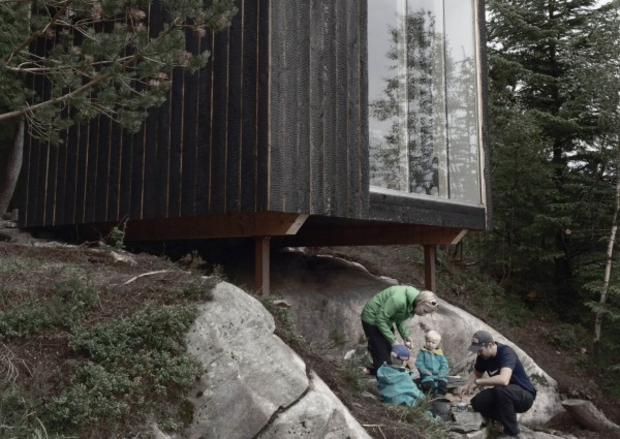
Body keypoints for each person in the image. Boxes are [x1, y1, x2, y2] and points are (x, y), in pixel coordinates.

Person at [457, 330, 536, 438]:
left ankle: (512, 433)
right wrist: (466, 385)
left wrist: (478, 382)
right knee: (477, 403)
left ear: (490, 345)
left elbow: (504, 380)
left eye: (480, 350)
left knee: (501, 389)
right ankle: (505, 418)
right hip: (503, 394)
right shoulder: (483, 357)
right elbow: (477, 373)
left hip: (524, 396)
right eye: (477, 351)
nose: (478, 354)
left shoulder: (506, 353)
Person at [361, 285, 438, 376]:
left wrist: (406, 335)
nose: (423, 315)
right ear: (420, 302)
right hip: (372, 318)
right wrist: (393, 341)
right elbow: (380, 319)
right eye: (424, 311)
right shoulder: (398, 300)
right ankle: (384, 381)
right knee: (381, 353)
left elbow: (399, 318)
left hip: (386, 320)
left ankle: (374, 371)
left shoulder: (414, 302)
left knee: (389, 350)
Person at [415, 330, 449, 397]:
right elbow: (419, 363)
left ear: (437, 344)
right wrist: (425, 371)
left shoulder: (439, 353)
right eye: (428, 341)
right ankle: (430, 396)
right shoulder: (423, 352)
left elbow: (444, 365)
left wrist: (442, 373)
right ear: (426, 341)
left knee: (443, 384)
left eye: (433, 342)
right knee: (428, 384)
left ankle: (440, 396)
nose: (430, 344)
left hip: (439, 375)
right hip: (427, 375)